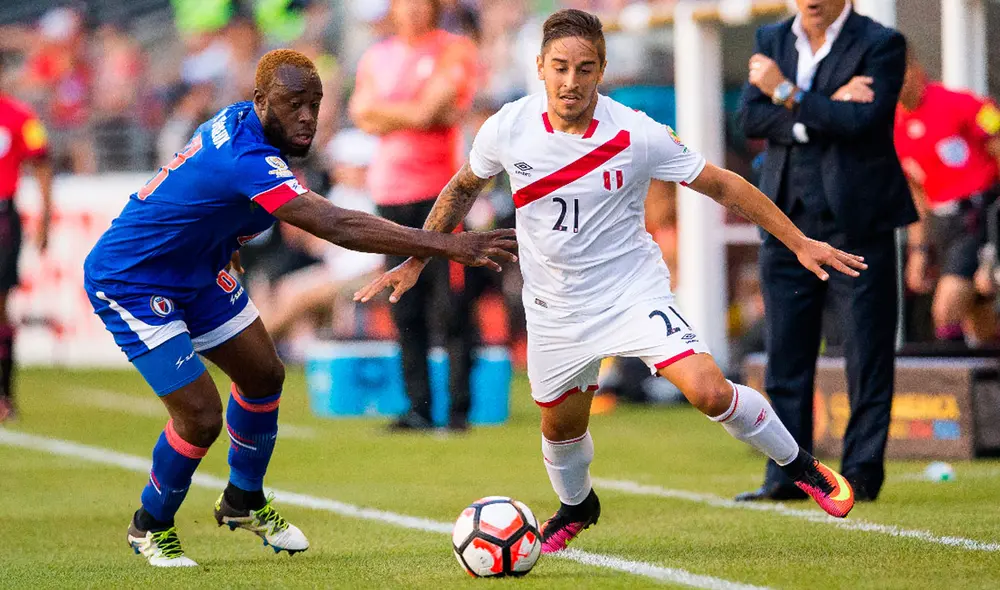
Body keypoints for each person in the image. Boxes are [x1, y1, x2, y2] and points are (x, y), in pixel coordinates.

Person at [355, 9, 866, 553]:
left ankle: (801, 467)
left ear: (601, 71)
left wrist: (799, 240)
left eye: (584, 68)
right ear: (540, 67)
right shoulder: (509, 126)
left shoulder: (636, 132)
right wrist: (416, 258)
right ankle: (578, 506)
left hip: (630, 295)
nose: (570, 81)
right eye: (560, 68)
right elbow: (461, 188)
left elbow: (723, 185)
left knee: (709, 389)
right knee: (559, 429)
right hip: (554, 308)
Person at [82, 49, 516, 567]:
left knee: (265, 375)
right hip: (131, 278)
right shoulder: (246, 156)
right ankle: (149, 525)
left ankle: (243, 500)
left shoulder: (243, 124)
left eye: (314, 103)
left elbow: (198, 189)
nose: (308, 116)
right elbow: (337, 225)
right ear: (262, 101)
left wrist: (227, 242)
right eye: (294, 104)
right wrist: (451, 245)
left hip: (197, 269)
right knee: (200, 416)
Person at [736, 0, 915, 503]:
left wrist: (788, 94)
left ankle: (859, 475)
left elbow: (865, 122)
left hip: (856, 224)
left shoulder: (881, 43)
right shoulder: (771, 39)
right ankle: (789, 476)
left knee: (866, 353)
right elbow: (749, 119)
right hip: (786, 222)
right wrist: (820, 108)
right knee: (787, 358)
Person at [350, 0, 481, 431]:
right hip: (390, 193)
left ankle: (460, 407)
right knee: (404, 305)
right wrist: (418, 112)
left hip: (441, 194)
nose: (410, 10)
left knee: (451, 302)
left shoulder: (455, 49)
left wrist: (388, 113)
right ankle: (419, 408)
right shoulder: (377, 55)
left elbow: (424, 110)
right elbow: (361, 113)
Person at [896, 55, 1000, 345]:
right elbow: (916, 194)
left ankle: (954, 387)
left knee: (947, 309)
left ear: (915, 69)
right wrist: (918, 251)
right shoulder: (894, 127)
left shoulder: (959, 102)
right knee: (978, 316)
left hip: (979, 216)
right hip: (944, 225)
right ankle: (988, 388)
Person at [261, 128, 384, 346]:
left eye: (341, 164)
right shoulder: (342, 194)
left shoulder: (374, 197)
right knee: (283, 288)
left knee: (293, 292)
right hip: (340, 272)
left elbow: (371, 260)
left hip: (361, 276)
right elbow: (328, 246)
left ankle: (246, 348)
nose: (335, 170)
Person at [0, 57, 54, 422]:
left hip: (2, 218)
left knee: (0, 305)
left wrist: (46, 217)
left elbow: (42, 163)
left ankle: (4, 395)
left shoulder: (19, 116)